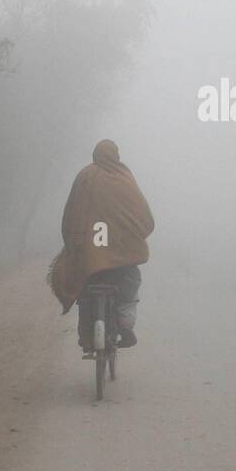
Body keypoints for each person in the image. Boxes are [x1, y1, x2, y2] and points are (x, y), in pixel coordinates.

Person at [47, 140, 154, 354]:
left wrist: (72, 244)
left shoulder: (85, 176)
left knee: (85, 289)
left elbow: (72, 213)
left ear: (95, 155)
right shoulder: (125, 178)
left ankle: (86, 336)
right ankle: (125, 325)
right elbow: (145, 219)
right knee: (130, 282)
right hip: (124, 256)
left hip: (91, 258)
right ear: (117, 155)